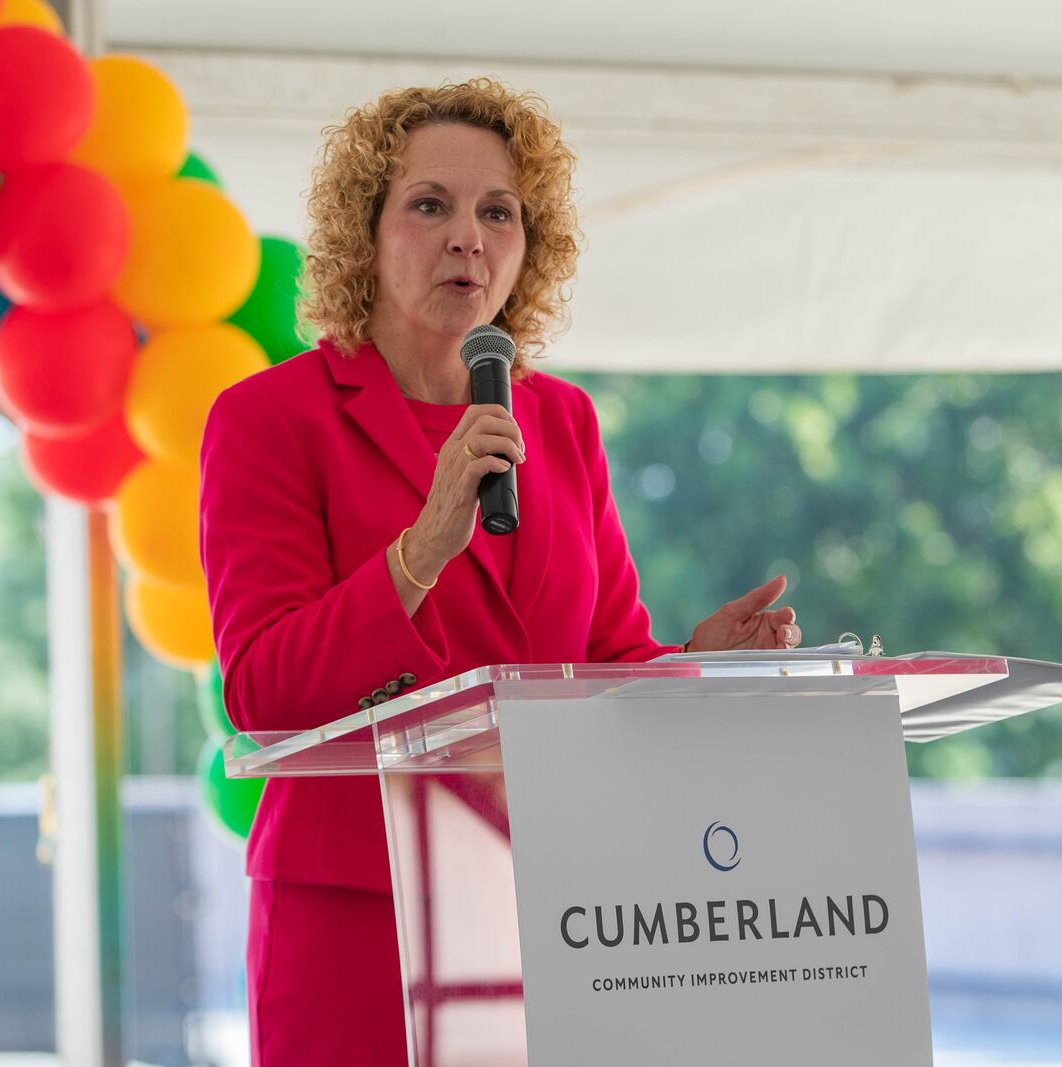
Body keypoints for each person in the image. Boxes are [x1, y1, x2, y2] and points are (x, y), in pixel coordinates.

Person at [198, 78, 802, 1065]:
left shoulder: (561, 420)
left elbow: (600, 656)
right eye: (428, 204)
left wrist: (692, 659)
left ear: (532, 246)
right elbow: (262, 687)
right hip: (360, 920)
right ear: (367, 230)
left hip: (551, 904)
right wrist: (419, 548)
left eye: (497, 212)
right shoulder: (269, 420)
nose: (466, 237)